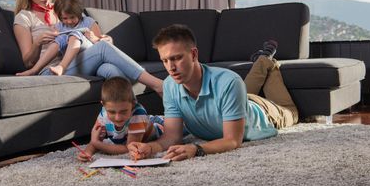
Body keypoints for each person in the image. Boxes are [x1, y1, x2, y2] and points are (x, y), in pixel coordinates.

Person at [127, 24, 298, 161]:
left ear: (194, 54)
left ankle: (267, 61)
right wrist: (151, 148)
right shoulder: (170, 86)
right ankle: (263, 58)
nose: (171, 67)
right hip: (236, 101)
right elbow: (172, 136)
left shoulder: (229, 82)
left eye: (177, 58)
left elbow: (232, 140)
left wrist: (197, 149)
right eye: (165, 60)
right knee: (241, 88)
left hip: (263, 113)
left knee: (292, 111)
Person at [13, 0, 162, 94]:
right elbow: (28, 62)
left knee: (111, 70)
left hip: (80, 59)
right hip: (49, 69)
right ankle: (158, 85)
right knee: (103, 50)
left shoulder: (63, 9)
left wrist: (106, 39)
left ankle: (134, 116)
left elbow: (93, 38)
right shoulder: (24, 17)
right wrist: (37, 43)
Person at [77, 76, 165, 161]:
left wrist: (97, 144)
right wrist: (88, 152)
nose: (118, 118)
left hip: (159, 125)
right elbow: (96, 139)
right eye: (112, 112)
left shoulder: (138, 116)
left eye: (123, 111)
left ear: (133, 104)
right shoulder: (103, 114)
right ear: (103, 105)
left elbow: (128, 148)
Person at [17, 0, 99, 76]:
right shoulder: (59, 26)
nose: (69, 21)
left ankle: (62, 67)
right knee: (107, 69)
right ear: (59, 17)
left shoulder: (89, 22)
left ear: (78, 13)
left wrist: (94, 39)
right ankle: (35, 69)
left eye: (73, 17)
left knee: (74, 35)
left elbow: (100, 44)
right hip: (73, 62)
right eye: (65, 18)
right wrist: (51, 36)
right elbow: (56, 44)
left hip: (88, 55)